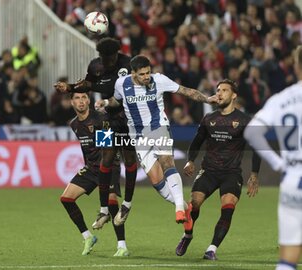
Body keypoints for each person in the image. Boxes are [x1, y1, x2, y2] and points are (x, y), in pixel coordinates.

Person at [95, 55, 218, 227]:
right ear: (133, 73)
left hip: (159, 127)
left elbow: (186, 91)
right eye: (142, 74)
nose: (146, 77)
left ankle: (178, 211)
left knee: (167, 162)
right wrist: (106, 102)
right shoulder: (121, 83)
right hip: (137, 136)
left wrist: (207, 99)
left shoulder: (159, 80)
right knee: (156, 182)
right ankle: (184, 207)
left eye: (148, 73)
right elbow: (117, 100)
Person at [54, 38, 138, 230]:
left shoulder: (128, 64)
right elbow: (87, 84)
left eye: (110, 59)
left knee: (130, 160)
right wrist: (70, 87)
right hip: (110, 118)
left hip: (129, 119)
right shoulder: (95, 66)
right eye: (104, 59)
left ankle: (127, 204)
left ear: (116, 55)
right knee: (105, 159)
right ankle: (104, 210)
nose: (107, 63)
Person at [175, 78, 261, 260]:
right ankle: (187, 235)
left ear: (234, 95)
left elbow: (256, 148)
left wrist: (254, 174)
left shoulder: (244, 120)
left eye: (224, 90)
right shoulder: (209, 118)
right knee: (194, 204)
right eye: (218, 90)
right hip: (209, 171)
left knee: (228, 207)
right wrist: (190, 160)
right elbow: (197, 141)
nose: (220, 93)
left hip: (231, 173)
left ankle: (211, 249)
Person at [244, 45, 302, 270]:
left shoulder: (282, 99)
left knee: (287, 259)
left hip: (292, 180)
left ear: (296, 66)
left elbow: (251, 132)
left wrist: (279, 164)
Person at [60, 92, 129, 257]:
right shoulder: (74, 124)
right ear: (72, 102)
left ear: (88, 100)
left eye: (84, 97)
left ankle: (122, 246)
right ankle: (88, 237)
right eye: (77, 98)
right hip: (91, 168)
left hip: (108, 165)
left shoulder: (100, 119)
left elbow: (107, 147)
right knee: (66, 199)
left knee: (112, 202)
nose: (81, 101)